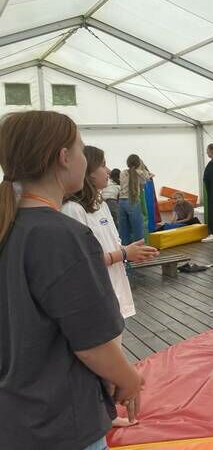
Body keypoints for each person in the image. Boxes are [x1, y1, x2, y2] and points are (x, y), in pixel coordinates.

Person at [0, 111, 143, 450]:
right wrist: (129, 379)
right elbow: (93, 343)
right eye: (81, 148)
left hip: (15, 417)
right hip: (61, 421)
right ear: (64, 157)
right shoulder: (61, 235)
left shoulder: (11, 227)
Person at [61, 145, 158, 427]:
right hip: (98, 296)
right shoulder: (72, 210)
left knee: (114, 349)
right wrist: (124, 254)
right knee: (102, 360)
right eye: (102, 165)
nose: (107, 170)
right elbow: (83, 261)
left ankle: (107, 412)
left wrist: (128, 251)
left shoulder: (101, 205)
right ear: (89, 172)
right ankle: (100, 415)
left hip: (114, 290)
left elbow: (110, 246)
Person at [118, 154, 152, 246]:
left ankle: (125, 251)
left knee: (124, 231)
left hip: (121, 202)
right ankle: (140, 250)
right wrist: (141, 166)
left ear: (127, 163)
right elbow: (146, 181)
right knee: (138, 230)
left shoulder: (122, 173)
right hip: (133, 201)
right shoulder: (141, 173)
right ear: (138, 163)